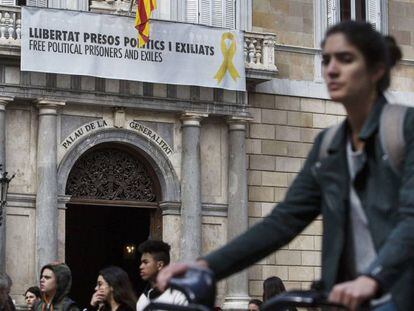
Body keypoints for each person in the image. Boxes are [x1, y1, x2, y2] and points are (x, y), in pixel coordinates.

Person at [157, 20, 414, 311]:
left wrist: (372, 278)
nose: (331, 69)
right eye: (326, 59)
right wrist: (204, 266)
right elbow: (281, 223)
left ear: (377, 69)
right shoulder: (329, 147)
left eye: (345, 59)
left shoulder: (405, 128)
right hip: (344, 302)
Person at [136, 240, 187, 311]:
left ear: (160, 265)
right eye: (141, 263)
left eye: (145, 262)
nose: (141, 266)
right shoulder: (142, 300)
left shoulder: (178, 295)